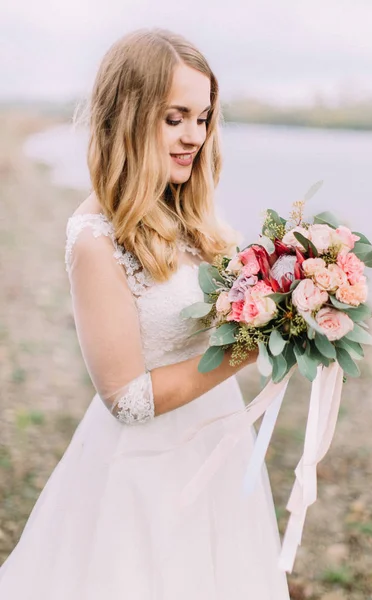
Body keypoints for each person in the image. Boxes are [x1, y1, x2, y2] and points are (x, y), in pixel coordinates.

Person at [0, 29, 290, 599]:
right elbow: (127, 400)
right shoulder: (95, 239)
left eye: (203, 118)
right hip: (144, 470)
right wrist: (246, 348)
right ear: (126, 116)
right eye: (174, 118)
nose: (194, 138)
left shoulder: (195, 215)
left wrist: (296, 285)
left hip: (219, 448)